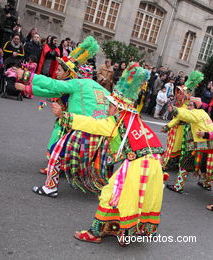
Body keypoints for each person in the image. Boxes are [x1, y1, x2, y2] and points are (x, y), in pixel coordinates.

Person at [54, 62, 165, 246]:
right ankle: (121, 230)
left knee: (110, 193)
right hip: (153, 163)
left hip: (140, 163)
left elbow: (93, 125)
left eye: (111, 105)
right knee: (132, 197)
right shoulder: (133, 118)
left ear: (119, 108)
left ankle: (95, 232)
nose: (108, 108)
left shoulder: (117, 121)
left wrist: (65, 116)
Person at [14, 36, 110, 197]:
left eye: (60, 70)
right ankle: (104, 189)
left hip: (79, 127)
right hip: (102, 132)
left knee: (56, 151)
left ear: (74, 73)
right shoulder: (100, 88)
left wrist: (27, 76)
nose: (57, 72)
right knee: (99, 160)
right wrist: (28, 88)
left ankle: (50, 187)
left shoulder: (76, 83)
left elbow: (52, 86)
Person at [164, 96, 213, 193]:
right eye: (188, 105)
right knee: (204, 165)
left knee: (185, 163)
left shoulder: (196, 113)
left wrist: (174, 109)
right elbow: (183, 118)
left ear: (197, 106)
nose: (188, 107)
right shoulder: (202, 113)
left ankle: (178, 186)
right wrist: (168, 126)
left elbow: (185, 115)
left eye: (191, 105)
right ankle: (206, 184)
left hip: (203, 144)